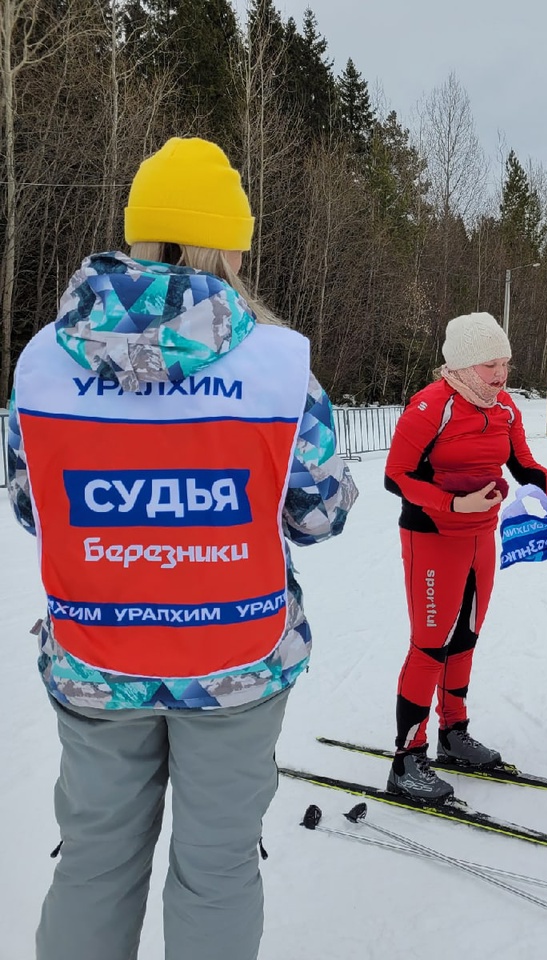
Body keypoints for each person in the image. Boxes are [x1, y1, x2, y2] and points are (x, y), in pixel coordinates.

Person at [6, 137, 358, 960]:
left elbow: (34, 509)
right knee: (217, 869)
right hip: (236, 660)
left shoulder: (43, 364)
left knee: (93, 864)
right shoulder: (278, 366)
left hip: (97, 654)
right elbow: (318, 515)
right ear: (224, 245)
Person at [384, 312, 547, 801]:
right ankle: (407, 760)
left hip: (481, 539)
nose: (501, 374)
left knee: (465, 638)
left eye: (506, 363)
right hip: (433, 538)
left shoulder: (505, 409)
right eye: (490, 365)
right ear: (462, 365)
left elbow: (525, 468)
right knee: (430, 645)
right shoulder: (431, 406)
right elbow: (396, 477)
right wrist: (453, 503)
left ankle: (454, 734)